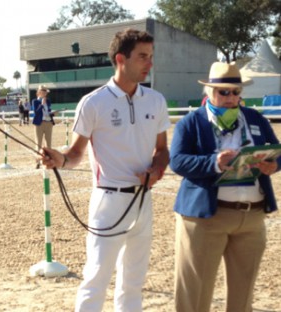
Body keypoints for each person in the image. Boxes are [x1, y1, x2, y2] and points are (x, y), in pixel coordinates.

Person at [39, 28, 170, 311]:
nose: (149, 63)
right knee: (96, 278)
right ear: (121, 59)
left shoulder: (156, 100)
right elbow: (74, 154)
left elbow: (162, 150)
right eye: (143, 57)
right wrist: (57, 159)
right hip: (108, 202)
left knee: (134, 282)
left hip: (143, 201)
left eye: (151, 56)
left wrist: (156, 170)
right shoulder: (93, 102)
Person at [170, 61, 280, 312]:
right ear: (208, 93)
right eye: (224, 92)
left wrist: (273, 164)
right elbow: (177, 161)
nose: (231, 98)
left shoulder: (255, 119)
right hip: (205, 218)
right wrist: (214, 163)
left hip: (251, 218)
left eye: (236, 92)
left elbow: (276, 152)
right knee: (194, 295)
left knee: (243, 297)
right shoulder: (191, 122)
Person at [32, 85, 54, 151]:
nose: (45, 93)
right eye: (43, 91)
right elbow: (36, 112)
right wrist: (42, 104)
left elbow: (48, 111)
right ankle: (38, 160)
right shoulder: (35, 101)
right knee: (38, 143)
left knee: (48, 143)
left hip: (48, 123)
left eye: (46, 91)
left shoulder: (48, 101)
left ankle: (48, 159)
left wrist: (52, 114)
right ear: (38, 92)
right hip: (39, 124)